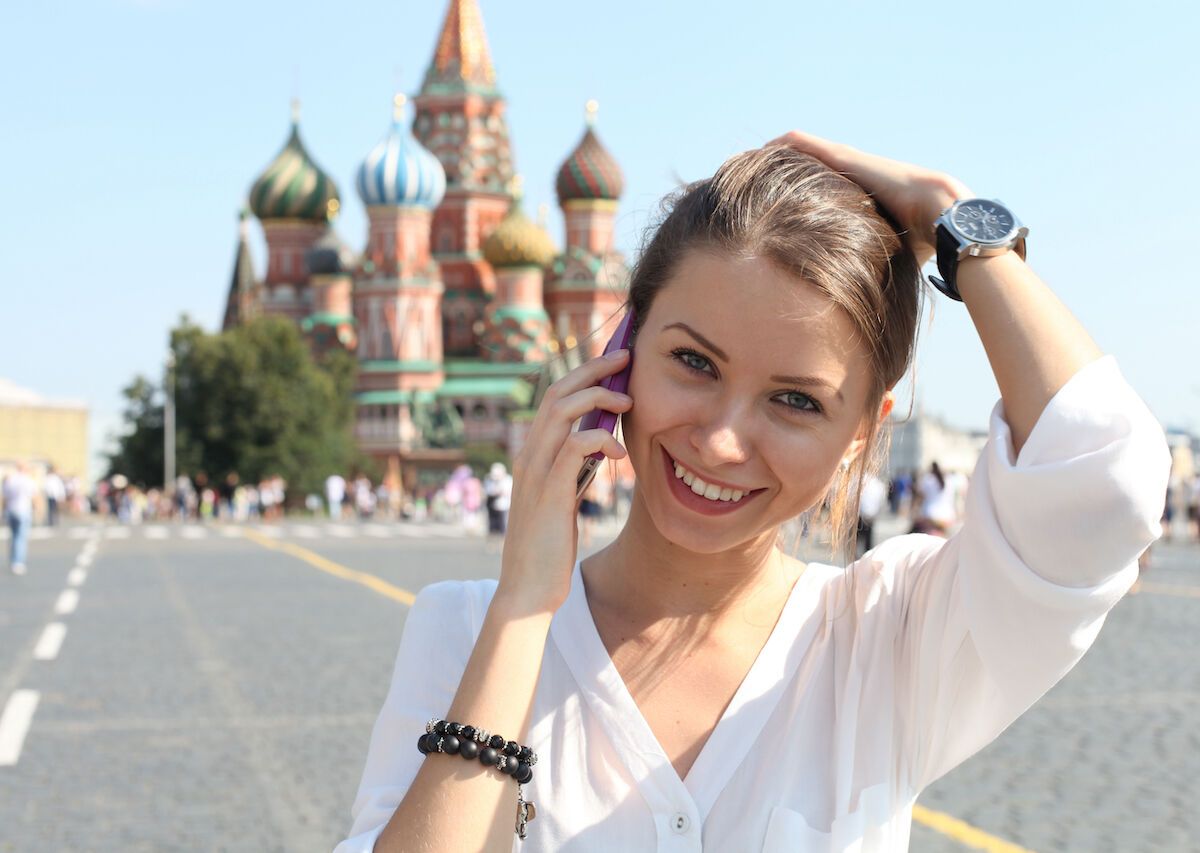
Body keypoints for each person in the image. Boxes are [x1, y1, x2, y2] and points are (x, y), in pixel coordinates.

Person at [336, 136, 1168, 852]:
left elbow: (1104, 481)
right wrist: (522, 608)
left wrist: (959, 223)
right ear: (621, 350)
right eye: (693, 362)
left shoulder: (889, 639)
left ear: (860, 436)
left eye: (796, 400)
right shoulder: (465, 632)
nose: (722, 439)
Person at [3, 462, 36, 575]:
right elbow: (34, 497)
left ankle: (13, 559)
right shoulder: (28, 480)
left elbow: (4, 498)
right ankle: (18, 562)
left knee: (13, 536)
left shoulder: (11, 480)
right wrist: (38, 511)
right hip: (24, 511)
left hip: (11, 510)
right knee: (20, 537)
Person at [483, 462, 513, 546]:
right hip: (492, 505)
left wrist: (500, 492)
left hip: (504, 506)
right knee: (492, 525)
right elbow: (487, 491)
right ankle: (491, 543)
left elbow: (509, 493)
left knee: (503, 525)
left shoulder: (508, 480)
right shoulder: (489, 480)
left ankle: (503, 543)